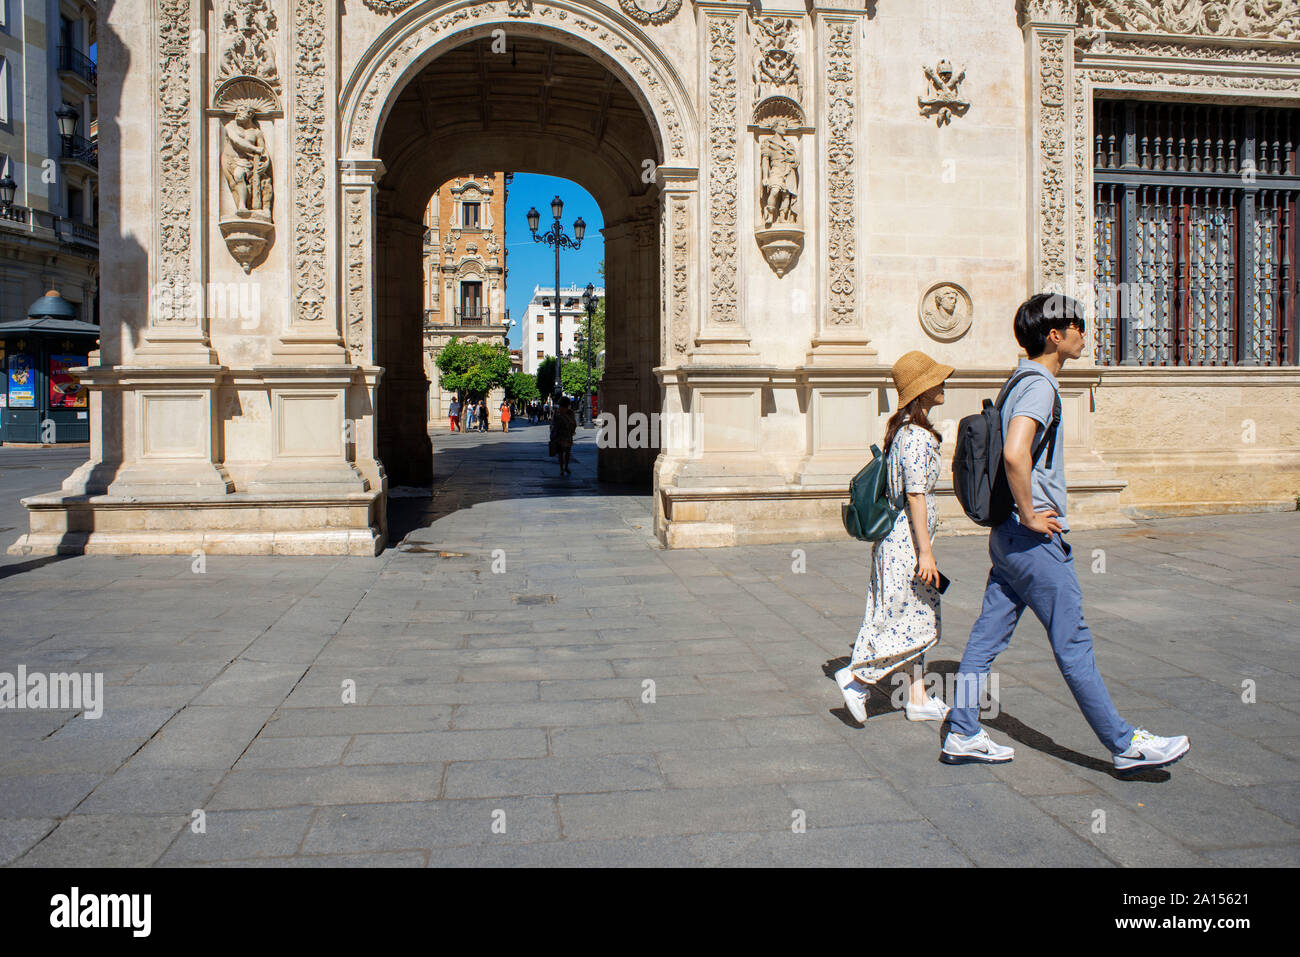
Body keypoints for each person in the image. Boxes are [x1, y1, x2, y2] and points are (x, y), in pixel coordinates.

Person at [942, 293, 1190, 773]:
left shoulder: (1018, 379)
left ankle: (962, 732)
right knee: (1073, 641)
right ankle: (1124, 744)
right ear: (1056, 335)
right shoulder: (1040, 386)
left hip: (1007, 539)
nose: (1084, 334)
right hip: (1033, 541)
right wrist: (1033, 514)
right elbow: (1016, 453)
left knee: (984, 639)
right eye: (1078, 326)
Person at [836, 352, 953, 724]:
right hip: (907, 543)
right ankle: (856, 679)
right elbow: (916, 494)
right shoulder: (915, 435)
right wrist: (926, 552)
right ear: (922, 391)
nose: (943, 383)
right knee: (907, 619)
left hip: (899, 542)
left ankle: (917, 698)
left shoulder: (902, 430)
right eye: (936, 379)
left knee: (911, 613)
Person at [550, 395, 577, 475]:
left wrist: (552, 432)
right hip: (568, 434)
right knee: (568, 452)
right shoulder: (570, 412)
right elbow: (574, 423)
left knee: (560, 453)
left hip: (559, 434)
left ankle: (561, 469)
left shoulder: (557, 412)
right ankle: (566, 467)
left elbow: (553, 423)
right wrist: (573, 430)